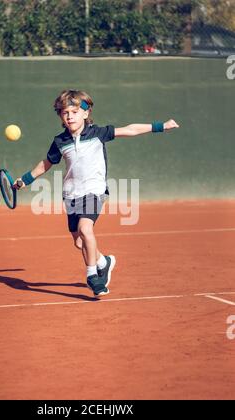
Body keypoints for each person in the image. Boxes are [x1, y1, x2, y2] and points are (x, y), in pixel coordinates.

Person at [14, 89, 179, 297]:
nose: (70, 116)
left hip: (94, 191)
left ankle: (93, 276)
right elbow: (46, 164)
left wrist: (161, 126)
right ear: (60, 117)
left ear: (85, 113)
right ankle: (103, 261)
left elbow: (130, 130)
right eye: (65, 113)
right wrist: (24, 180)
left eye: (74, 111)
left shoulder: (98, 133)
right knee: (79, 241)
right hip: (71, 195)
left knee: (85, 228)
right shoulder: (60, 141)